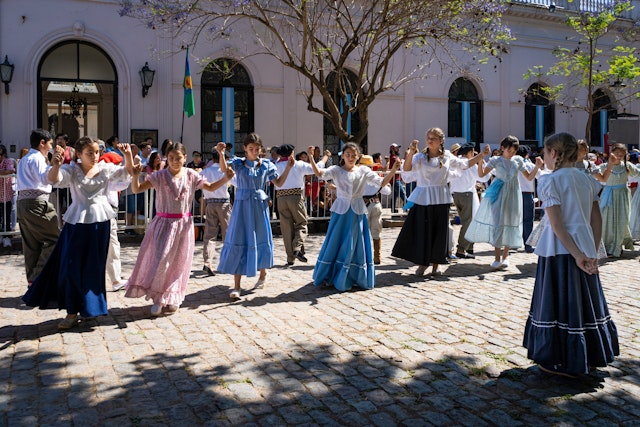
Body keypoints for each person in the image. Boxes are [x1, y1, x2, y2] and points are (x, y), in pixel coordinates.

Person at [523, 132, 619, 378]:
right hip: (584, 246)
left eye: (544, 153)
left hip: (560, 249)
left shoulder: (549, 180)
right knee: (584, 301)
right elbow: (596, 219)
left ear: (554, 153)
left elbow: (557, 225)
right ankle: (589, 354)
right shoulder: (587, 179)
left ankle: (561, 359)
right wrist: (591, 250)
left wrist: (577, 254)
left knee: (560, 301)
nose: (543, 157)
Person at [22, 137, 133, 330]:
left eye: (97, 152)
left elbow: (127, 174)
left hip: (100, 223)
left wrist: (128, 156)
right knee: (70, 267)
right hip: (77, 223)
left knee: (94, 268)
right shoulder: (72, 170)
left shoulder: (105, 169)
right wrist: (56, 164)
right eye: (90, 153)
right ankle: (72, 311)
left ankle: (90, 309)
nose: (95, 156)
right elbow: (53, 179)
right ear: (79, 154)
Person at [124, 142, 234, 315]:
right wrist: (135, 176)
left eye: (179, 158)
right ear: (167, 158)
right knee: (161, 260)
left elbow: (211, 188)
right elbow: (136, 189)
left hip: (183, 226)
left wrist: (226, 179)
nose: (175, 161)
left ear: (185, 158)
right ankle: (159, 298)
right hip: (163, 224)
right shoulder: (160, 176)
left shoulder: (191, 175)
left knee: (179, 263)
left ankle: (173, 296)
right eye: (172, 158)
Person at [392, 129, 487, 276]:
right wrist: (411, 152)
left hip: (441, 198)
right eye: (428, 138)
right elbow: (407, 168)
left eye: (433, 138)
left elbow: (464, 164)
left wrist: (481, 156)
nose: (430, 141)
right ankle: (423, 264)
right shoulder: (420, 157)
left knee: (440, 232)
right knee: (423, 232)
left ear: (441, 141)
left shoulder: (447, 156)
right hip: (423, 197)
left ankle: (436, 264)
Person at [308, 143, 398, 291]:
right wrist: (311, 157)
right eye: (347, 154)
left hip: (357, 210)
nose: (350, 157)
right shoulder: (336, 170)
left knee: (355, 243)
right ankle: (331, 275)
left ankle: (352, 276)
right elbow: (319, 173)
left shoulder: (363, 170)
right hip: (341, 211)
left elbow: (381, 182)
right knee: (335, 241)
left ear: (358, 157)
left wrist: (393, 170)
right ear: (343, 155)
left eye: (353, 155)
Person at [218, 133, 294, 299]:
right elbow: (224, 170)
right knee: (239, 239)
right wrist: (221, 154)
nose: (254, 151)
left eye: (256, 149)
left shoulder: (266, 165)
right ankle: (236, 286)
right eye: (250, 148)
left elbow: (279, 183)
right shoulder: (238, 163)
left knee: (259, 238)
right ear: (245, 148)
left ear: (260, 150)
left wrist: (288, 167)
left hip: (259, 207)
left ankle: (263, 274)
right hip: (241, 207)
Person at [465, 135, 542, 269]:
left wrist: (537, 166)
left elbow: (529, 177)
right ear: (503, 148)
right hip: (498, 193)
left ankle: (505, 257)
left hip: (513, 193)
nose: (512, 153)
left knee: (510, 223)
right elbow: (482, 175)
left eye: (514, 151)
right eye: (509, 150)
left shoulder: (518, 160)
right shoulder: (496, 160)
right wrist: (480, 159)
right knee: (498, 224)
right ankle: (496, 257)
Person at [16, 129, 61, 285]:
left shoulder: (24, 159)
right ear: (42, 143)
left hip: (23, 202)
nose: (50, 147)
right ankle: (36, 276)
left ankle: (32, 281)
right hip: (37, 202)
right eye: (49, 144)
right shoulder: (37, 158)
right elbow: (46, 179)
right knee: (57, 239)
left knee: (31, 244)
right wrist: (55, 166)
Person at [594, 143, 638, 257]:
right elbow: (595, 174)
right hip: (609, 196)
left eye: (621, 153)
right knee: (607, 221)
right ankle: (607, 246)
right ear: (611, 153)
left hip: (622, 196)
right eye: (617, 153)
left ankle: (617, 246)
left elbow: (638, 173)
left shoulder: (627, 166)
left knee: (621, 221)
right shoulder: (605, 166)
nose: (618, 156)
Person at [274, 143, 314, 265]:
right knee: (302, 223)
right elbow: (315, 169)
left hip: (280, 198)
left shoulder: (275, 166)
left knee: (286, 228)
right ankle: (297, 248)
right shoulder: (298, 164)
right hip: (295, 196)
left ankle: (290, 257)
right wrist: (323, 158)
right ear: (292, 153)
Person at [449, 142, 489, 259]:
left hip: (456, 194)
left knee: (466, 221)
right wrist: (481, 161)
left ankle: (469, 247)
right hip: (467, 194)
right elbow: (483, 177)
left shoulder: (455, 162)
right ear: (469, 153)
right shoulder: (469, 164)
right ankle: (461, 249)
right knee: (468, 222)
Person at [201, 149, 234, 276]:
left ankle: (207, 261)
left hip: (210, 203)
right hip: (224, 204)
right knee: (227, 234)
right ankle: (227, 262)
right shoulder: (225, 171)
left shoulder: (205, 171)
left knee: (209, 234)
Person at [359, 154, 391, 264]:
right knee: (376, 232)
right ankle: (377, 256)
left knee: (362, 232)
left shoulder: (357, 176)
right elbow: (387, 191)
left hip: (362, 205)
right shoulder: (375, 176)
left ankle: (363, 256)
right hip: (375, 204)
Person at [517, 145, 538, 253]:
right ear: (527, 154)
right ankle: (528, 244)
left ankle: (513, 243)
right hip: (527, 194)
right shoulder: (530, 165)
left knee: (515, 220)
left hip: (514, 194)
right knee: (528, 220)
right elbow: (540, 176)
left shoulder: (513, 165)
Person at [0, 144, 16, 245]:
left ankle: (7, 237)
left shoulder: (8, 161)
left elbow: (10, 170)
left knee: (6, 215)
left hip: (5, 193)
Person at [388, 143, 406, 213]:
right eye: (396, 148)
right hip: (395, 180)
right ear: (392, 149)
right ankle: (409, 209)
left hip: (395, 179)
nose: (398, 149)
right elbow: (399, 164)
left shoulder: (393, 157)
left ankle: (393, 210)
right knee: (403, 194)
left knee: (395, 195)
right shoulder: (394, 158)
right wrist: (404, 158)